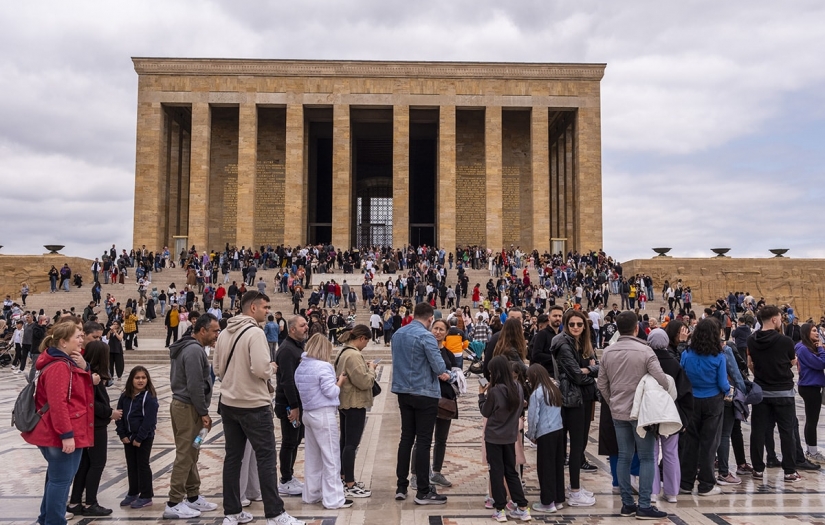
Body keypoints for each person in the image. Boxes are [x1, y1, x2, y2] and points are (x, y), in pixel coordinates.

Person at [214, 291, 306, 525]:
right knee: (266, 457)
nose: (268, 311)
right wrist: (272, 368)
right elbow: (261, 369)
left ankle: (232, 512)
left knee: (233, 458)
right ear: (252, 308)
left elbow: (216, 368)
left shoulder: (224, 331)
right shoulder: (255, 332)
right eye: (265, 307)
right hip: (253, 404)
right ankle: (275, 513)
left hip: (229, 403)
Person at [22, 321, 96, 525]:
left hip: (68, 429)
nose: (82, 339)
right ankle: (54, 521)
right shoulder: (59, 366)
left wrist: (85, 367)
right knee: (61, 480)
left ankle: (46, 518)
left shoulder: (66, 362)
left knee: (58, 478)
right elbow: (58, 404)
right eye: (78, 336)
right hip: (59, 432)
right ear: (63, 342)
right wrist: (66, 435)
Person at [597, 311, 669, 520]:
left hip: (619, 411)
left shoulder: (608, 352)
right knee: (647, 457)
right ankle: (644, 505)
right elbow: (662, 380)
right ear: (637, 328)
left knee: (624, 455)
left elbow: (601, 383)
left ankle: (627, 504)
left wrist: (613, 401)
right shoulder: (645, 351)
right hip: (642, 413)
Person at [391, 302, 450, 504]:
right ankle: (423, 490)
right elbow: (439, 366)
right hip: (424, 392)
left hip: (402, 391)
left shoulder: (398, 334)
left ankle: (401, 486)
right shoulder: (426, 336)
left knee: (406, 437)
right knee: (424, 441)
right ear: (430, 318)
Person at [163, 313, 220, 519]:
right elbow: (195, 385)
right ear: (202, 330)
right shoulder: (194, 350)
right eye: (214, 330)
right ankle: (174, 501)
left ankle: (193, 495)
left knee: (193, 451)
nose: (216, 335)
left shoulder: (187, 346)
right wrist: (203, 412)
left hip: (185, 406)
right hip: (189, 408)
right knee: (185, 454)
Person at [294, 334, 351, 509]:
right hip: (323, 413)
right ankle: (334, 499)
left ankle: (311, 494)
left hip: (308, 413)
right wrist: (339, 382)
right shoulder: (324, 366)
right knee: (331, 457)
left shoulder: (301, 366)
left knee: (313, 456)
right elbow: (330, 392)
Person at [748, 305, 803, 482]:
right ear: (774, 319)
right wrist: (789, 364)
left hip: (762, 391)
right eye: (779, 318)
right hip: (783, 391)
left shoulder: (752, 340)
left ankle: (757, 468)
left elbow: (751, 364)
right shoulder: (785, 341)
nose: (781, 320)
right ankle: (789, 471)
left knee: (758, 430)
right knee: (787, 431)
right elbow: (790, 360)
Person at [68, 341, 121, 516]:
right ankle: (90, 502)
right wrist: (110, 413)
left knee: (84, 463)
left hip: (88, 424)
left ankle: (76, 501)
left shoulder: (86, 373)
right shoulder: (93, 376)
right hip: (95, 425)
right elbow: (92, 403)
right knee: (97, 463)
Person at [551, 309, 598, 506]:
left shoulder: (582, 342)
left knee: (580, 446)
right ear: (566, 325)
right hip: (572, 399)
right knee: (576, 445)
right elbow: (576, 375)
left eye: (580, 324)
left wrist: (589, 369)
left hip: (583, 398)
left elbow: (598, 367)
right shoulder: (563, 344)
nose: (576, 328)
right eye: (572, 325)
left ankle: (574, 487)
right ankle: (575, 492)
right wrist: (590, 370)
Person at [679, 318, 730, 496]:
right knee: (709, 443)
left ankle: (685, 483)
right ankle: (706, 484)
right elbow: (723, 383)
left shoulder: (687, 354)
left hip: (692, 400)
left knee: (690, 442)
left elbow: (682, 375)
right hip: (713, 400)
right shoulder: (718, 356)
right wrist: (729, 391)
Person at [479, 355, 531, 522]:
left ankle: (500, 509)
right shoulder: (518, 387)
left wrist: (481, 396)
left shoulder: (495, 391)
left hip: (494, 437)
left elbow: (485, 411)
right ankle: (522, 507)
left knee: (496, 471)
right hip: (510, 436)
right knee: (511, 472)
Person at [647, 328, 693, 503]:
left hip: (650, 413)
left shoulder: (647, 362)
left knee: (651, 453)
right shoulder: (675, 364)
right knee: (671, 453)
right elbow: (685, 392)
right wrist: (685, 417)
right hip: (671, 414)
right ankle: (672, 492)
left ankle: (652, 491)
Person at [335, 325, 377, 498]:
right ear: (362, 338)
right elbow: (364, 382)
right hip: (354, 403)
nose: (366, 345)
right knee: (351, 444)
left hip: (345, 402)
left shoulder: (344, 352)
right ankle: (350, 483)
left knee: (345, 442)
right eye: (366, 341)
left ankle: (344, 477)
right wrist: (372, 369)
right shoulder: (353, 355)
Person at [419, 319, 458, 488]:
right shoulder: (424, 349)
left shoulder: (448, 353)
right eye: (435, 328)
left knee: (441, 439)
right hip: (427, 397)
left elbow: (458, 374)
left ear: (446, 333)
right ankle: (417, 473)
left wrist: (448, 375)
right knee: (422, 438)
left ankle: (437, 472)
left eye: (442, 329)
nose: (438, 332)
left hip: (445, 399)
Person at [274, 315, 309, 496]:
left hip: (296, 402)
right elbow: (287, 381)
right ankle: (286, 479)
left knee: (295, 441)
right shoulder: (287, 350)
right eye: (302, 325)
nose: (306, 327)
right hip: (288, 404)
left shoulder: (296, 347)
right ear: (292, 329)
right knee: (289, 441)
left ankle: (289, 476)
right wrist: (294, 406)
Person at [116, 366, 159, 509]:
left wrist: (139, 438)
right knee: (131, 465)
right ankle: (133, 492)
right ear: (131, 380)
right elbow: (119, 415)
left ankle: (146, 495)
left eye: (143, 378)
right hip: (128, 437)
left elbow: (149, 420)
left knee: (142, 465)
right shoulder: (125, 396)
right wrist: (122, 434)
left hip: (144, 438)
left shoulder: (149, 397)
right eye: (137, 378)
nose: (141, 380)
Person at [526, 363, 565, 514]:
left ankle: (548, 502)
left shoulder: (537, 393)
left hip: (545, 433)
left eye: (529, 379)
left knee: (545, 467)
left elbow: (533, 416)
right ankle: (558, 498)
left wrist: (531, 435)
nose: (528, 382)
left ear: (534, 376)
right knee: (557, 466)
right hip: (558, 430)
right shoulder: (553, 388)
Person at [795, 322, 825, 464]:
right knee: (812, 420)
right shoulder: (803, 349)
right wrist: (821, 349)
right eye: (814, 331)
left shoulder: (807, 348)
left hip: (813, 386)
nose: (817, 333)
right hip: (809, 387)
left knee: (812, 419)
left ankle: (811, 449)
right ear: (807, 333)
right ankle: (812, 452)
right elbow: (820, 364)